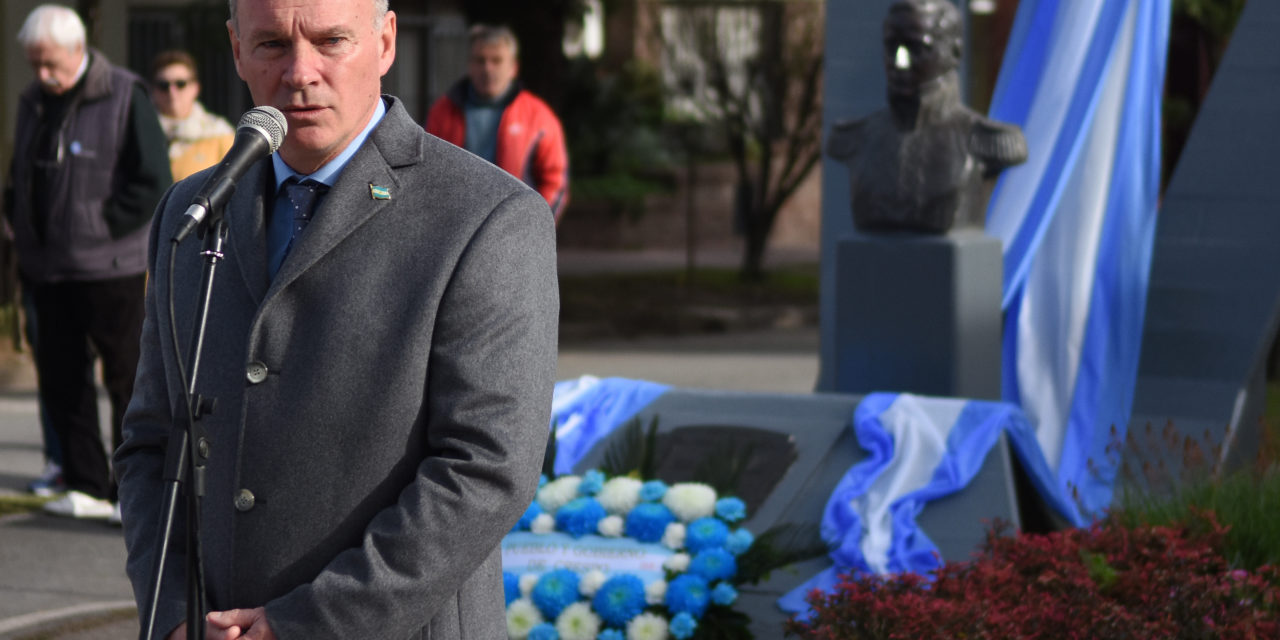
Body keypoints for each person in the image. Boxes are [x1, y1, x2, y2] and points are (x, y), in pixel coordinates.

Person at [114, 0, 558, 638]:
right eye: (271, 44)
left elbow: (485, 468)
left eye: (330, 41)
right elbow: (152, 443)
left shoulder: (488, 218)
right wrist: (174, 613)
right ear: (235, 48)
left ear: (385, 42)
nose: (300, 72)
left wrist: (303, 624)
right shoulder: (192, 209)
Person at [4, 4, 171, 520]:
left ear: (78, 51)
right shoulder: (32, 100)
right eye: (34, 64)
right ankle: (85, 484)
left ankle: (133, 490)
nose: (43, 75)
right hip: (48, 269)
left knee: (127, 380)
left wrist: (100, 225)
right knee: (61, 382)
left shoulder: (125, 93)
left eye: (50, 63)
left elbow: (153, 180)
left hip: (111, 268)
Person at [827, 0, 1026, 233]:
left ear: (954, 51)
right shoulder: (855, 139)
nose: (900, 62)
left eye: (916, 47)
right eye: (893, 47)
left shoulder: (988, 141)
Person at [426, 24, 569, 222]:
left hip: (515, 227)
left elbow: (555, 180)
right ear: (470, 65)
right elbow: (427, 172)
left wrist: (535, 226)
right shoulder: (443, 112)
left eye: (497, 61)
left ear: (513, 68)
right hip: (457, 228)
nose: (487, 68)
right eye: (480, 60)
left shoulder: (538, 117)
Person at [149, 49, 236, 181]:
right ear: (153, 90)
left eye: (180, 84)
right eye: (163, 85)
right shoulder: (141, 134)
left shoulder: (219, 135)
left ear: (195, 88)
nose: (172, 92)